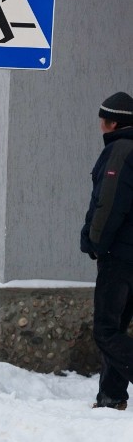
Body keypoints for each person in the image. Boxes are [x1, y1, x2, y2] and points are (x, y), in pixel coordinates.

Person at [80, 91, 133, 411]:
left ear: (112, 123)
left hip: (120, 256)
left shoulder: (120, 151)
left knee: (106, 329)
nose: (100, 126)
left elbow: (109, 204)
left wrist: (94, 242)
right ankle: (112, 394)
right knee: (118, 325)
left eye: (102, 120)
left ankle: (112, 394)